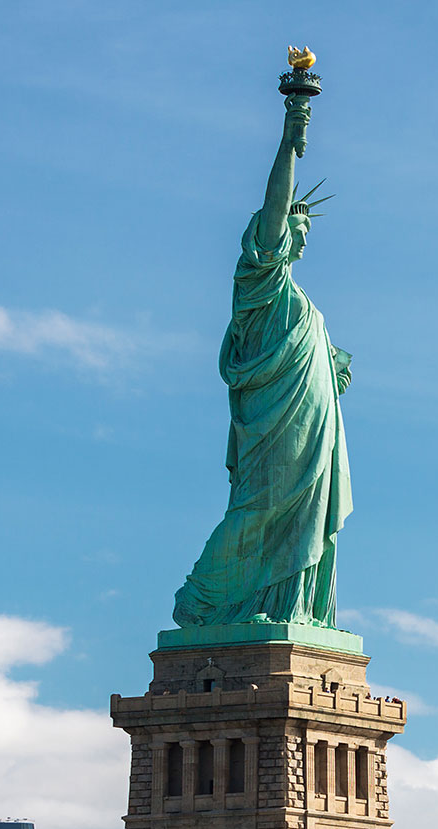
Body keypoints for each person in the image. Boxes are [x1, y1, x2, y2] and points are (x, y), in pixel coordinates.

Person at [173, 94, 352, 629]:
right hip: (274, 428)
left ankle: (289, 608)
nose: (300, 232)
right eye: (293, 227)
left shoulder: (302, 303)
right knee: (259, 510)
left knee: (302, 516)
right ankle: (204, 599)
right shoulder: (261, 283)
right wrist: (291, 135)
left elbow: (316, 359)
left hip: (311, 428)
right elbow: (277, 204)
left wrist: (332, 369)